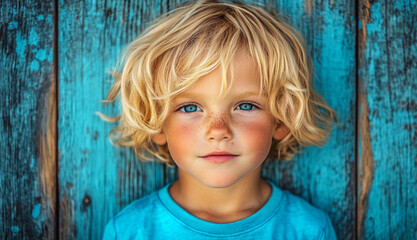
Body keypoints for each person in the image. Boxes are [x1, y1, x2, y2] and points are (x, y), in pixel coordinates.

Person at [100, 0, 337, 239]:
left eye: (245, 106)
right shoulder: (129, 231)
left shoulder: (309, 230)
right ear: (155, 122)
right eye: (190, 107)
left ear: (282, 119)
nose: (218, 130)